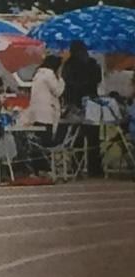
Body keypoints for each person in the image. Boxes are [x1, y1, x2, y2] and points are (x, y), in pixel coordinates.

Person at [62, 40, 103, 176]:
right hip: (92, 103)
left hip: (75, 104)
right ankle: (95, 168)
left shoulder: (69, 65)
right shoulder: (93, 63)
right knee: (93, 138)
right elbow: (98, 79)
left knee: (76, 138)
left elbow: (67, 83)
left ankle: (76, 167)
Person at [28, 55, 65, 147]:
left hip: (36, 112)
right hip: (47, 113)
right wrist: (61, 80)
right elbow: (58, 91)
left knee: (38, 140)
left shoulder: (38, 74)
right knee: (46, 141)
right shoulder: (49, 74)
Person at [62, 40, 102, 110]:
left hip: (73, 98)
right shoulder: (93, 62)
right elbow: (98, 79)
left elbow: (66, 79)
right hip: (90, 96)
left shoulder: (69, 63)